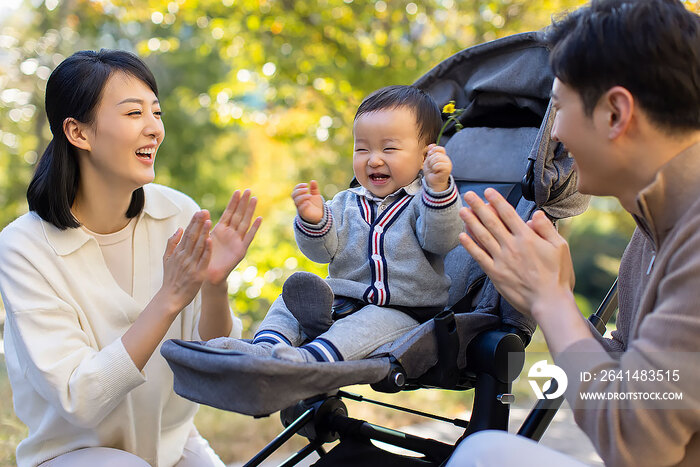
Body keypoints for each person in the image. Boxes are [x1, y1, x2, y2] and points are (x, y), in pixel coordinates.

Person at [448, 0, 700, 466]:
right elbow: (631, 375)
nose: (556, 133)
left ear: (615, 114)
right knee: (483, 453)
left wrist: (552, 299)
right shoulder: (655, 227)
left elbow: (637, 442)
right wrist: (542, 299)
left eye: (559, 107)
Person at [0, 50, 261, 467]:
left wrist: (214, 285)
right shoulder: (24, 247)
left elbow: (212, 357)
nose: (154, 129)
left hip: (171, 443)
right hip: (73, 454)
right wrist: (169, 297)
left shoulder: (177, 214)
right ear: (78, 132)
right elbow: (79, 398)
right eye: (133, 113)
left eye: (156, 113)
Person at [209, 85, 463, 362]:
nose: (374, 159)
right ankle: (265, 346)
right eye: (362, 149)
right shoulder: (345, 203)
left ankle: (309, 359)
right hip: (341, 300)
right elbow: (320, 253)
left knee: (362, 326)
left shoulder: (425, 201)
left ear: (425, 157)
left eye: (389, 148)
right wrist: (314, 220)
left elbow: (441, 240)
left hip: (402, 311)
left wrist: (438, 190)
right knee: (287, 304)